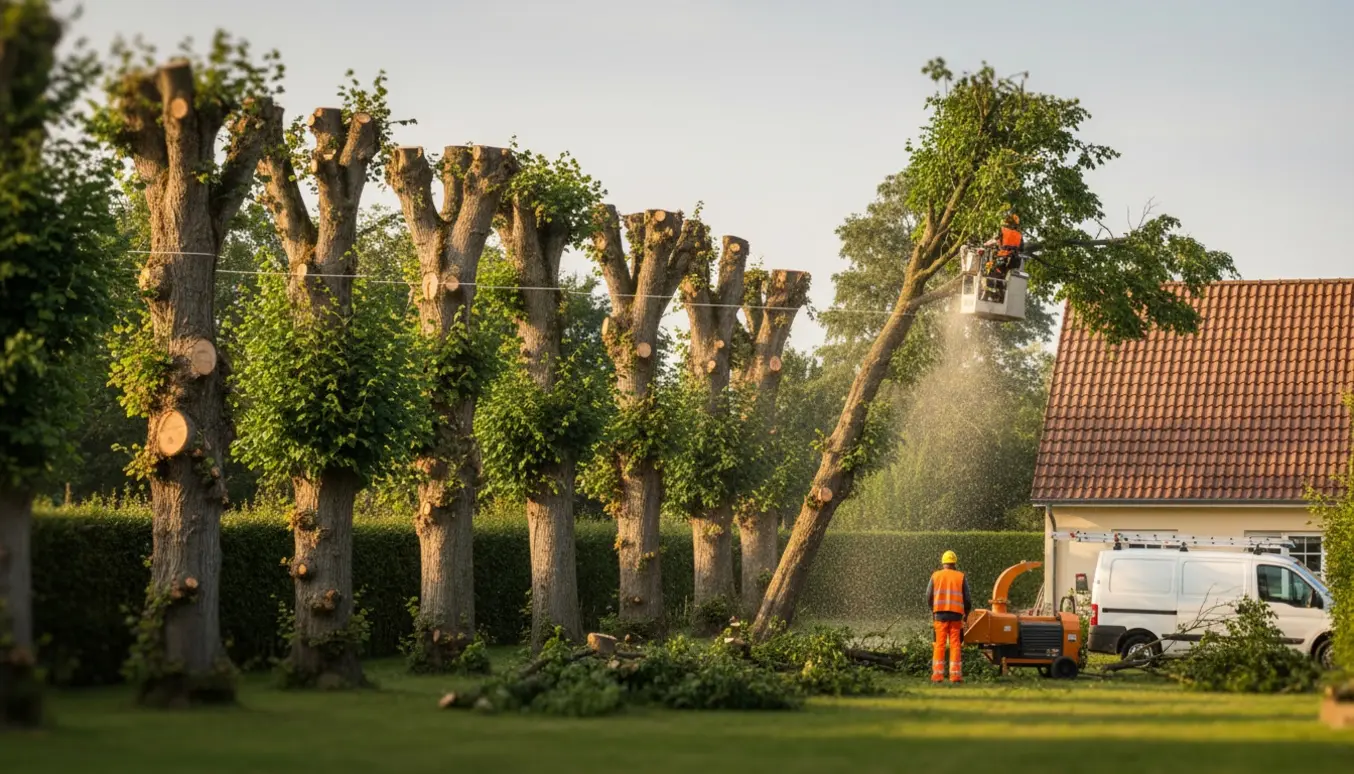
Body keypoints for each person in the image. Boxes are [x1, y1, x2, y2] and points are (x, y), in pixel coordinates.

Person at [925, 550, 972, 684]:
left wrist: (933, 610)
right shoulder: (960, 576)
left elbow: (928, 596)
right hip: (956, 616)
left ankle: (937, 676)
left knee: (939, 644)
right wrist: (966, 613)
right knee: (955, 645)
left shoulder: (935, 576)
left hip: (939, 615)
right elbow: (967, 599)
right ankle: (955, 676)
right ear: (954, 563)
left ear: (943, 563)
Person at [980, 212, 1024, 301]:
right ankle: (1000, 295)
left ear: (1007, 222)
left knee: (987, 272)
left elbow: (994, 240)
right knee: (1001, 277)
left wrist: (985, 244)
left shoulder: (1003, 230)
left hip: (1002, 259)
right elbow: (1021, 248)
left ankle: (987, 291)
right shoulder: (1019, 235)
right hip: (1013, 262)